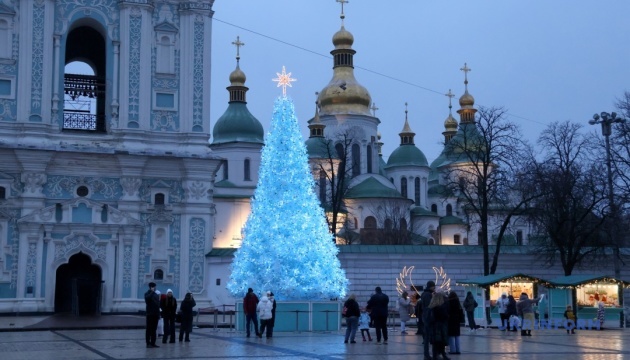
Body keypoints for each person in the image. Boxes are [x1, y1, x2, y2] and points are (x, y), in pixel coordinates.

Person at [428, 292, 450, 360]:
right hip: (440, 326)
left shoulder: (431, 306)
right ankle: (441, 355)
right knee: (441, 341)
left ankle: (436, 355)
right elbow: (444, 316)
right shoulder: (440, 307)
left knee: (435, 342)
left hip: (433, 326)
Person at [421, 281, 435, 360]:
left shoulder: (424, 294)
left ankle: (427, 354)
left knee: (427, 337)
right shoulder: (428, 295)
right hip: (428, 317)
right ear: (430, 286)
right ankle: (427, 354)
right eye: (433, 286)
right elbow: (429, 306)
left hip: (425, 317)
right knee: (428, 337)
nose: (434, 288)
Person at [144, 282, 161, 348]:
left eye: (155, 287)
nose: (155, 288)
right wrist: (151, 292)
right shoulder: (147, 294)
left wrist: (159, 314)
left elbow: (158, 305)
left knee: (154, 329)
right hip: (149, 314)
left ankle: (153, 343)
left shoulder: (156, 295)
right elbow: (147, 300)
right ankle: (148, 343)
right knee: (149, 329)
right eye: (154, 287)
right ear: (151, 287)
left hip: (155, 314)